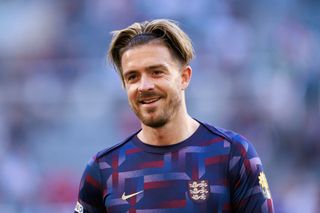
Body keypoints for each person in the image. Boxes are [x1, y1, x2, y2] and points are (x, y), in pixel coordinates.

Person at [75, 19, 274, 213]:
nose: (144, 86)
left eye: (156, 72)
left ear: (184, 77)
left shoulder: (233, 154)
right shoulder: (104, 169)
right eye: (132, 77)